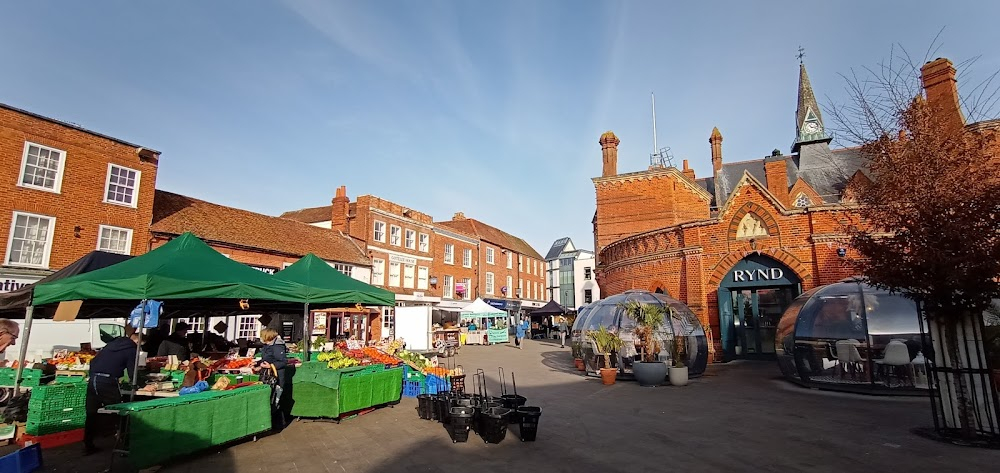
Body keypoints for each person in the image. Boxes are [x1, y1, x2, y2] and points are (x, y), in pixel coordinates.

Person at [84, 324, 140, 455]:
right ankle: (124, 445)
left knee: (91, 414)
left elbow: (93, 362)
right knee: (119, 413)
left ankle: (88, 445)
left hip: (93, 380)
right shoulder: (131, 349)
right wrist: (139, 384)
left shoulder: (110, 345)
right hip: (108, 382)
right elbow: (133, 373)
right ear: (136, 341)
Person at [258, 328, 290, 431]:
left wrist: (270, 366)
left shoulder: (278, 346)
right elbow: (267, 358)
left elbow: (283, 362)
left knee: (276, 398)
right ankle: (272, 423)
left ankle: (279, 424)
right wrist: (258, 363)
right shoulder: (268, 345)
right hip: (268, 375)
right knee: (270, 398)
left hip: (276, 376)